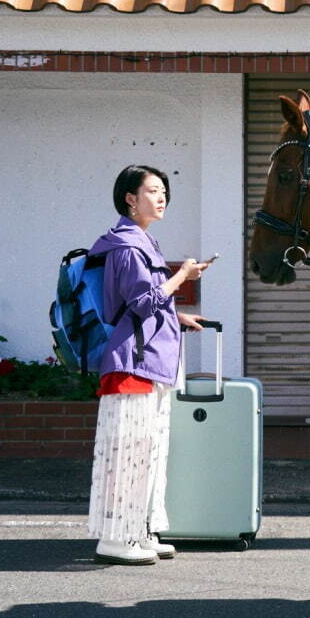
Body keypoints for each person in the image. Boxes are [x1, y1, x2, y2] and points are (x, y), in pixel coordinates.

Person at [88, 164, 212, 565]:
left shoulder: (143, 242)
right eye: (153, 190)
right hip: (132, 366)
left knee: (150, 451)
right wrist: (182, 277)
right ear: (130, 198)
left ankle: (141, 530)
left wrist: (177, 317)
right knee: (128, 453)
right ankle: (115, 538)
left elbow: (140, 304)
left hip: (149, 362)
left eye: (164, 191)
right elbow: (141, 303)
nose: (162, 198)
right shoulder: (127, 246)